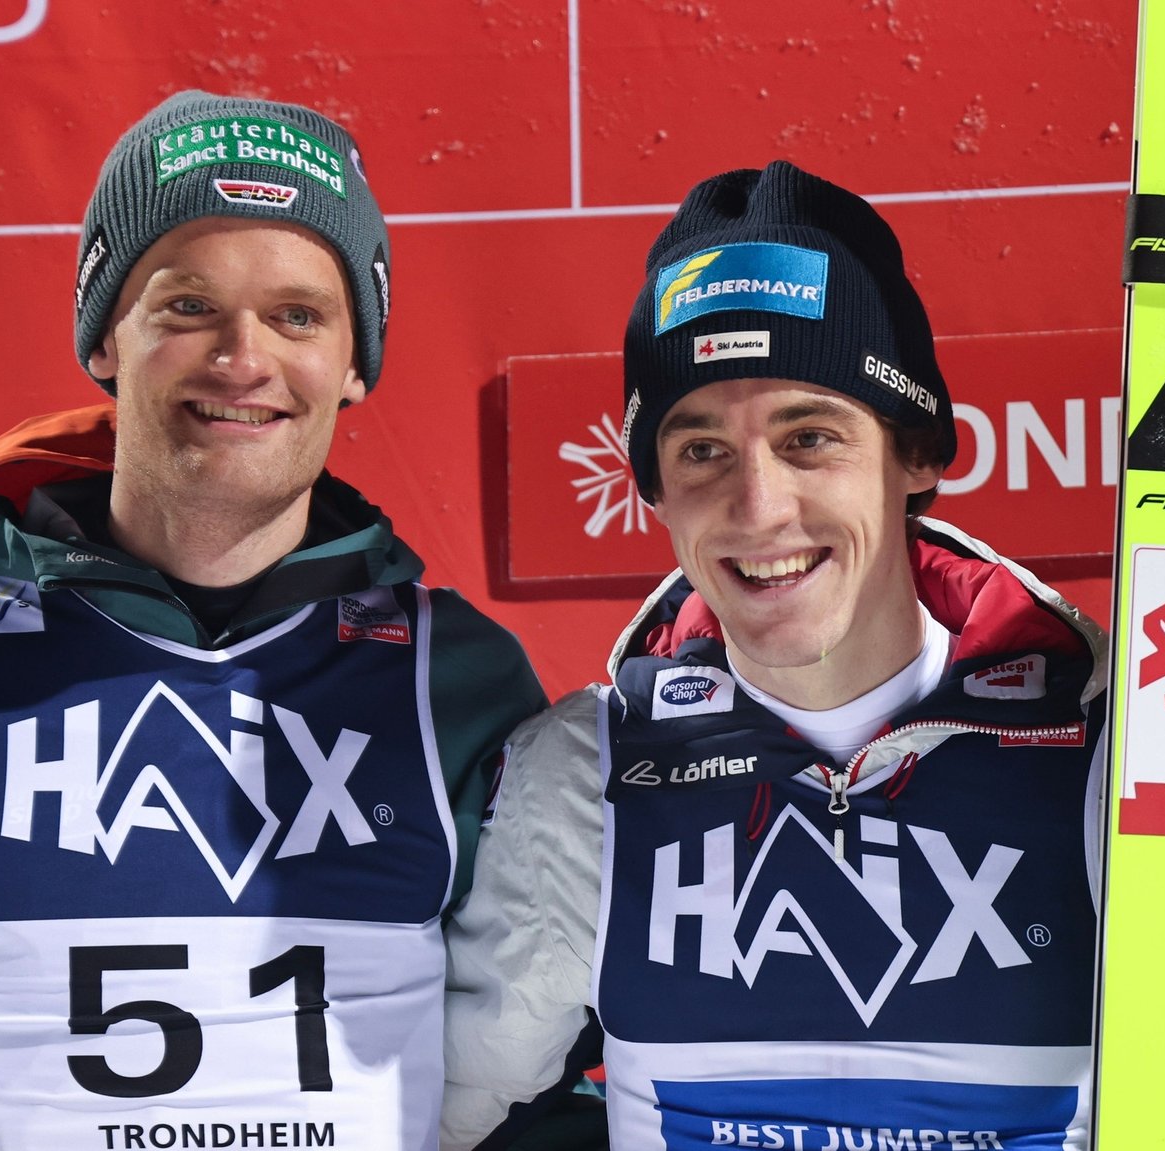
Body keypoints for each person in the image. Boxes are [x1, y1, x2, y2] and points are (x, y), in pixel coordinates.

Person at [0, 91, 545, 1150]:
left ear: (354, 362)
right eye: (186, 306)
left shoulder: (456, 680)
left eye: (298, 314)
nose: (242, 355)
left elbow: (546, 1072)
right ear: (105, 336)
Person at [440, 160, 1110, 1150]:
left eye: (808, 437)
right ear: (653, 489)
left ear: (916, 453)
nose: (756, 507)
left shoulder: (1110, 745)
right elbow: (437, 1098)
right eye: (701, 449)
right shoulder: (587, 770)